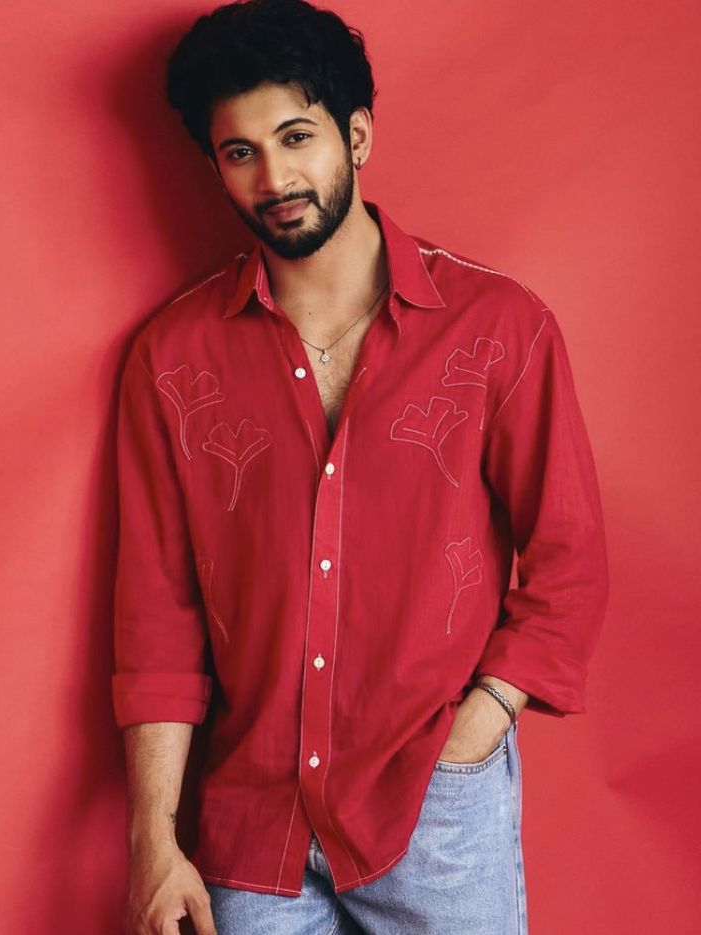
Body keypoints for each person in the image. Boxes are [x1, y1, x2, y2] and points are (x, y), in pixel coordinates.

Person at [111, 1, 610, 932]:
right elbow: (156, 612)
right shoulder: (174, 359)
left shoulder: (498, 330)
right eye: (240, 151)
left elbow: (569, 556)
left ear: (358, 133)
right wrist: (153, 838)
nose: (274, 176)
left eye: (296, 136)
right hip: (247, 823)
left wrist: (477, 729)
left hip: (435, 801)